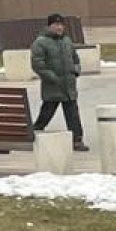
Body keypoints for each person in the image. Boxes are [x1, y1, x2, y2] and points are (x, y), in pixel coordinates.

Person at [30, 14, 88, 153]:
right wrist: (52, 77)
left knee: (73, 113)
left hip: (69, 85)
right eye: (55, 25)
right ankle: (34, 131)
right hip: (53, 86)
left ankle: (77, 139)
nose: (59, 27)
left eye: (61, 25)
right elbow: (37, 64)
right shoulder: (40, 42)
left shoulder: (67, 41)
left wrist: (75, 70)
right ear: (49, 26)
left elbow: (75, 58)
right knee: (47, 112)